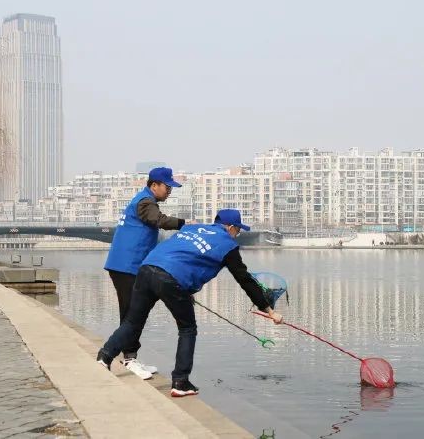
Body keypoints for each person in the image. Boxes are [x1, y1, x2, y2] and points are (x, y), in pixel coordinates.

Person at [97, 209, 284, 397]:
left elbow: (182, 255)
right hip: (171, 278)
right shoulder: (228, 245)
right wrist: (268, 310)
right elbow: (245, 280)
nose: (237, 235)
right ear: (230, 227)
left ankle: (104, 357)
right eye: (238, 230)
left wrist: (182, 289)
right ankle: (180, 382)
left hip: (147, 269)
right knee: (187, 329)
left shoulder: (193, 229)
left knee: (132, 321)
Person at [103, 167, 188, 379]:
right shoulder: (145, 202)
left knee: (136, 311)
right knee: (131, 313)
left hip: (130, 266)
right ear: (154, 185)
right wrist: (184, 224)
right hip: (126, 266)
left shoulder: (143, 200)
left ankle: (130, 356)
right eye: (167, 187)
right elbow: (158, 220)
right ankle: (126, 359)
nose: (169, 191)